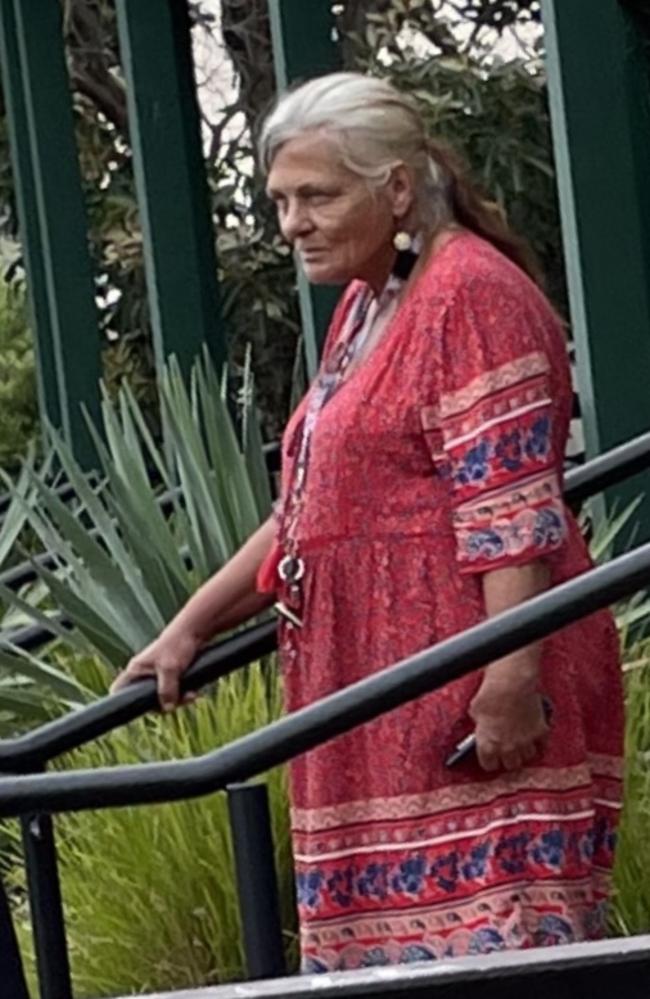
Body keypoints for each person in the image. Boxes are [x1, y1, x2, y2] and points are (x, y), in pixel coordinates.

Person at [111, 72, 623, 972]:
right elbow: (314, 507)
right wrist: (187, 628)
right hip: (372, 703)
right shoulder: (371, 300)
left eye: (317, 195)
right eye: (279, 200)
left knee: (491, 964)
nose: (292, 223)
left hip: (463, 699)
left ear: (394, 188)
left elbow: (510, 509)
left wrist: (509, 681)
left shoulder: (469, 295)